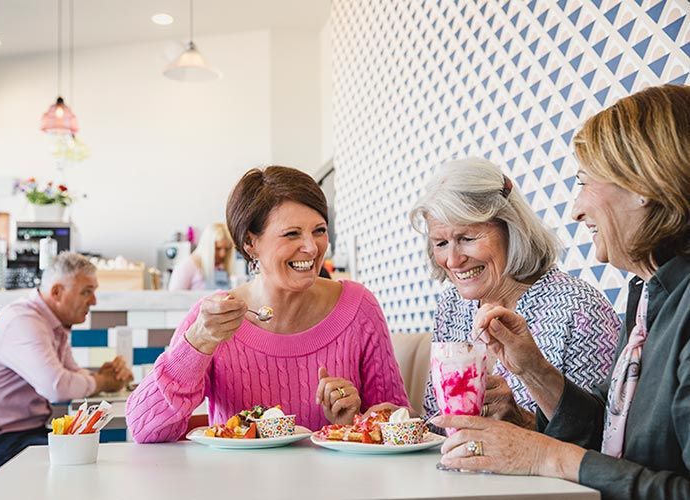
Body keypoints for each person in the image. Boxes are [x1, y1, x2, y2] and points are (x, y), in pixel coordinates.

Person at [434, 84, 690, 500]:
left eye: (585, 183)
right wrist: (532, 367)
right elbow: (607, 434)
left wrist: (546, 455)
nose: (576, 209)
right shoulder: (647, 296)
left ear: (643, 184)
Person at [126, 166, 409, 442]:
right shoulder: (214, 320)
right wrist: (198, 342)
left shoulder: (359, 307)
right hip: (239, 487)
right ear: (251, 242)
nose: (311, 247)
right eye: (292, 233)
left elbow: (399, 422)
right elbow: (144, 429)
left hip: (339, 489)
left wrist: (354, 420)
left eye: (319, 230)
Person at [410, 157, 619, 427]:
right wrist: (401, 423)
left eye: (467, 238)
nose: (452, 260)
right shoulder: (452, 307)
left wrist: (522, 421)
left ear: (511, 228)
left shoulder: (579, 309)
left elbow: (603, 440)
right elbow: (438, 421)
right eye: (440, 243)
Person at [0, 252, 132, 483]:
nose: (94, 301)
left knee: (87, 461)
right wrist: (103, 381)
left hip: (16, 437)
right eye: (86, 291)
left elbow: (71, 374)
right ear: (57, 292)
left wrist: (103, 377)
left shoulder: (53, 324)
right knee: (81, 470)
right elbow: (57, 387)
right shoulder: (24, 322)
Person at [167, 223, 235, 291]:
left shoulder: (222, 267)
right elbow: (174, 298)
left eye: (227, 249)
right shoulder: (186, 266)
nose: (222, 254)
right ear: (207, 247)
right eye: (217, 248)